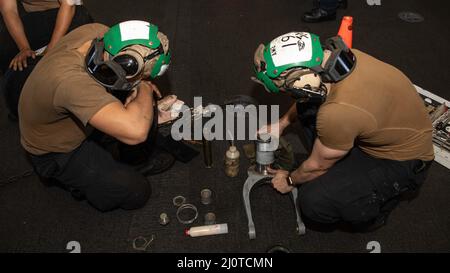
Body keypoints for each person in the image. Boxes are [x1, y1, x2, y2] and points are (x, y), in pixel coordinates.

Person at [252, 32, 434, 231]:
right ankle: (334, 157)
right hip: (381, 126)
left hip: (402, 160)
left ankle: (373, 213)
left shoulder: (337, 112)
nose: (289, 96)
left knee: (313, 201)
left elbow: (316, 167)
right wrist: (282, 123)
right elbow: (308, 93)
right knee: (309, 105)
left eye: (287, 91)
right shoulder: (342, 59)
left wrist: (289, 180)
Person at [18, 20, 180, 212]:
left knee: (136, 98)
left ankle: (112, 142)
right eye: (142, 74)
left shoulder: (98, 32)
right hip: (56, 151)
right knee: (136, 191)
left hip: (69, 109)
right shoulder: (72, 83)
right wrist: (142, 84)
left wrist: (136, 84)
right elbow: (136, 132)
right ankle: (76, 179)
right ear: (126, 63)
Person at [0, 0, 93, 73]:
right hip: (37, 18)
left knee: (81, 18)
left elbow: (68, 5)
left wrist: (50, 49)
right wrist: (24, 48)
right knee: (5, 43)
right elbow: (9, 11)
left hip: (68, 14)